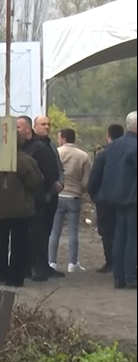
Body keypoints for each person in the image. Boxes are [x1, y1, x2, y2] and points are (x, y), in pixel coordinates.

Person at [0, 133, 44, 287]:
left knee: (1, 242)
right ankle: (16, 277)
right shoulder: (25, 160)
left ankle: (1, 273)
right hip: (21, 209)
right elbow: (37, 182)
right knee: (19, 243)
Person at [89, 111, 137, 290]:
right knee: (133, 238)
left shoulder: (113, 146)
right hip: (133, 199)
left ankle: (119, 277)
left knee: (119, 238)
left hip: (115, 199)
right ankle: (132, 276)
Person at [16, 115, 63, 281]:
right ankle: (33, 266)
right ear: (33, 127)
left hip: (45, 197)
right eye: (43, 124)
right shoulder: (31, 148)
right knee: (33, 234)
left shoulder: (47, 146)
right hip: (32, 198)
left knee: (43, 232)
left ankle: (41, 265)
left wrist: (56, 184)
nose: (47, 127)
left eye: (48, 124)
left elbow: (55, 169)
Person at [48, 128, 91, 272]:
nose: (58, 140)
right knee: (73, 231)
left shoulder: (56, 153)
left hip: (58, 195)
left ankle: (52, 261)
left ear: (64, 139)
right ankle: (73, 262)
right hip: (74, 196)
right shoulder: (83, 156)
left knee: (55, 231)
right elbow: (86, 181)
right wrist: (81, 191)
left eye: (59, 137)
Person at [92, 124, 125, 273]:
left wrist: (94, 195)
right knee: (123, 230)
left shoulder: (103, 154)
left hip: (104, 199)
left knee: (107, 232)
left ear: (108, 135)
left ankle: (110, 262)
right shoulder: (128, 151)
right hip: (124, 198)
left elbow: (95, 177)